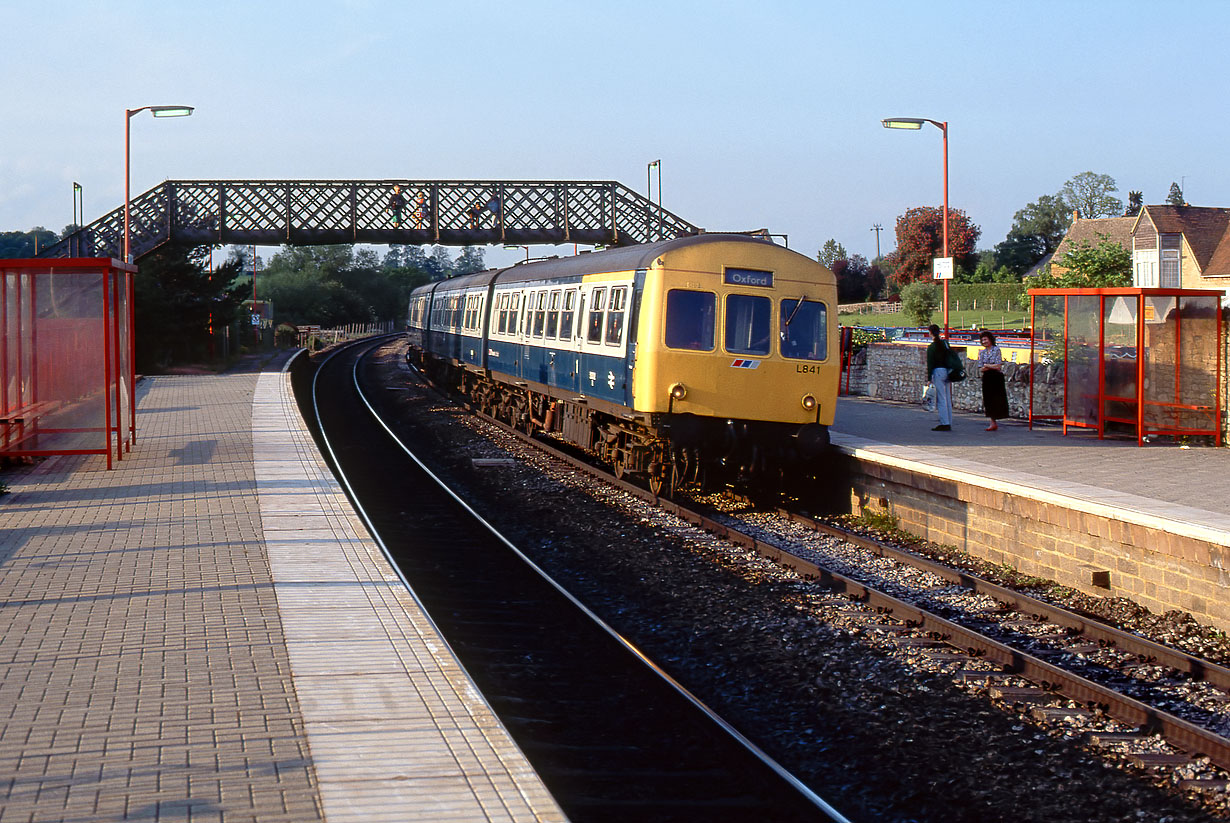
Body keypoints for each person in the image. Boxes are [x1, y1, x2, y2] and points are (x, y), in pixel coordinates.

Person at [978, 330, 1010, 431]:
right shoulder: (982, 352)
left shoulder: (996, 350)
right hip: (987, 378)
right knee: (988, 400)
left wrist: (987, 365)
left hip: (996, 378)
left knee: (997, 399)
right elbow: (980, 368)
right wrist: (989, 366)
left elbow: (998, 366)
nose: (984, 342)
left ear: (990, 339)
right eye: (982, 340)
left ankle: (996, 419)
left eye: (985, 339)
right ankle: (992, 422)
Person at [925, 324, 953, 431]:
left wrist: (928, 378)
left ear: (930, 333)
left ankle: (944, 422)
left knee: (941, 398)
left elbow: (930, 363)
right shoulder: (945, 344)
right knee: (947, 397)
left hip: (938, 371)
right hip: (948, 371)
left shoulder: (932, 347)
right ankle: (949, 420)